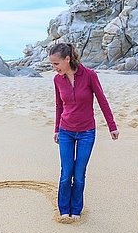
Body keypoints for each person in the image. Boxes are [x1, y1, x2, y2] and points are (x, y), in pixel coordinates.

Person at [49, 42, 119, 219]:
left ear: (67, 59)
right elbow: (59, 106)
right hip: (65, 131)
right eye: (52, 64)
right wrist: (57, 129)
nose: (54, 68)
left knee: (79, 174)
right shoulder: (57, 80)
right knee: (66, 173)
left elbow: (102, 101)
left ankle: (76, 210)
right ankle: (64, 210)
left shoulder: (89, 75)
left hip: (87, 132)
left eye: (56, 64)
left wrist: (112, 126)